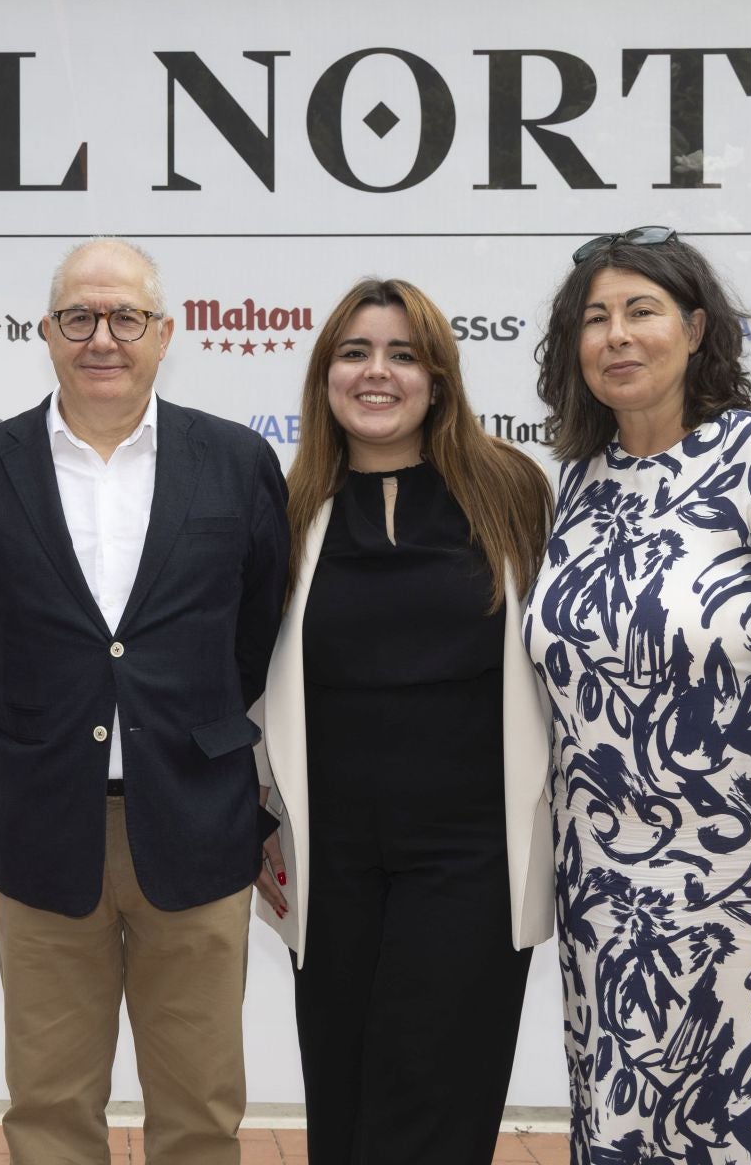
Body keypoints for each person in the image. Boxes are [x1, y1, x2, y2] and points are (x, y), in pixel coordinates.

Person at [525, 228, 751, 1163]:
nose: (617, 335)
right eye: (595, 319)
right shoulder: (581, 487)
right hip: (614, 887)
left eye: (640, 311)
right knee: (625, 1126)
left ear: (693, 327)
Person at [0, 238, 288, 1165]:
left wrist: (189, 718)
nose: (104, 338)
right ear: (47, 333)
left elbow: (260, 628)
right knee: (49, 1109)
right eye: (80, 318)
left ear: (164, 333)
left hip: (199, 821)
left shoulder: (236, 461)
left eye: (126, 317)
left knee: (202, 1111)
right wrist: (49, 713)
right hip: (47, 823)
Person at [251, 278, 553, 1164]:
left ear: (439, 379)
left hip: (472, 858)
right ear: (325, 378)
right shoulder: (287, 504)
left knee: (431, 1099)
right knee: (341, 1103)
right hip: (331, 860)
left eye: (402, 354)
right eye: (354, 353)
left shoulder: (513, 494)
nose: (376, 372)